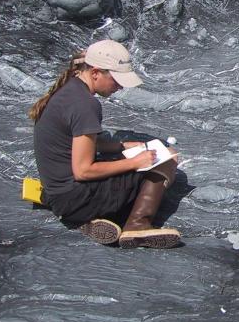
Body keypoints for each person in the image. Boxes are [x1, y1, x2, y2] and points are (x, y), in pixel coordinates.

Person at [29, 39, 180, 248]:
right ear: (95, 73)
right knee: (167, 159)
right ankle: (137, 226)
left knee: (132, 157)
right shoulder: (85, 105)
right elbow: (83, 171)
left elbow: (83, 143)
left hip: (57, 193)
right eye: (116, 80)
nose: (118, 87)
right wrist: (136, 162)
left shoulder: (70, 89)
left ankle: (84, 219)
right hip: (75, 198)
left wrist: (121, 147)